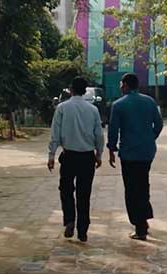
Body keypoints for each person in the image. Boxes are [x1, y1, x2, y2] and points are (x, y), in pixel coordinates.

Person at [107, 73, 163, 240]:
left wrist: (111, 149)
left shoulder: (118, 105)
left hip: (129, 153)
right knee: (143, 185)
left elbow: (113, 130)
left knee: (131, 189)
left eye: (121, 84)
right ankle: (144, 220)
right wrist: (149, 138)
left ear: (125, 85)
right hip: (146, 152)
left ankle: (140, 227)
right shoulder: (149, 101)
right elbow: (159, 124)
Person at [47, 77, 104, 242]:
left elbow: (54, 134)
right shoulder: (93, 109)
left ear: (71, 90)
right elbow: (99, 135)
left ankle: (70, 220)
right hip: (87, 157)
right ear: (85, 91)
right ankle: (83, 230)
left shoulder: (62, 108)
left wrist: (51, 156)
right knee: (84, 194)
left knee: (66, 190)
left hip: (69, 156)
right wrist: (99, 155)